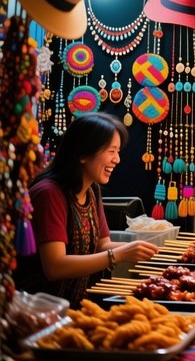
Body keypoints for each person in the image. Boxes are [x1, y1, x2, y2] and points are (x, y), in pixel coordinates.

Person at [16, 114, 159, 307]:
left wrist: (139, 249)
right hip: (38, 311)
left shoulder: (91, 190)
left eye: (117, 151)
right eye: (111, 151)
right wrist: (120, 255)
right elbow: (55, 266)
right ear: (83, 154)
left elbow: (102, 245)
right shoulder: (49, 193)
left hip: (72, 307)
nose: (117, 159)